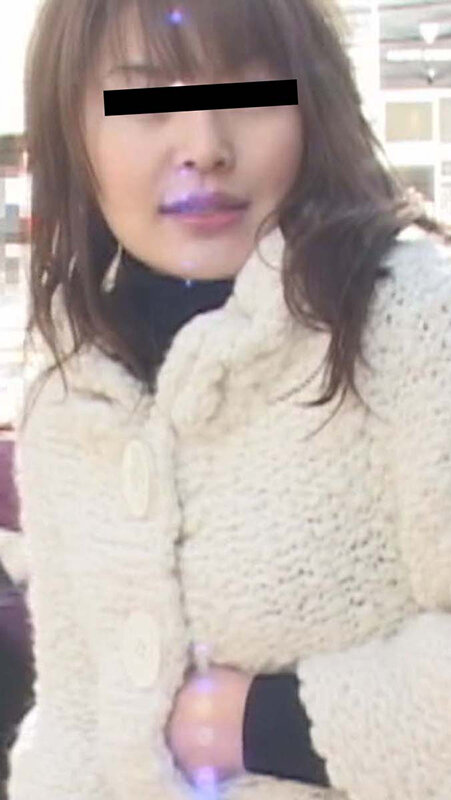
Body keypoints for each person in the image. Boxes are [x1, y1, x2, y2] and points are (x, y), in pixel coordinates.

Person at [8, 0, 451, 798]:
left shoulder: (412, 321)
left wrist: (266, 724)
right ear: (73, 134)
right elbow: (73, 710)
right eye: (144, 100)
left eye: (251, 93)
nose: (205, 145)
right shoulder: (68, 399)